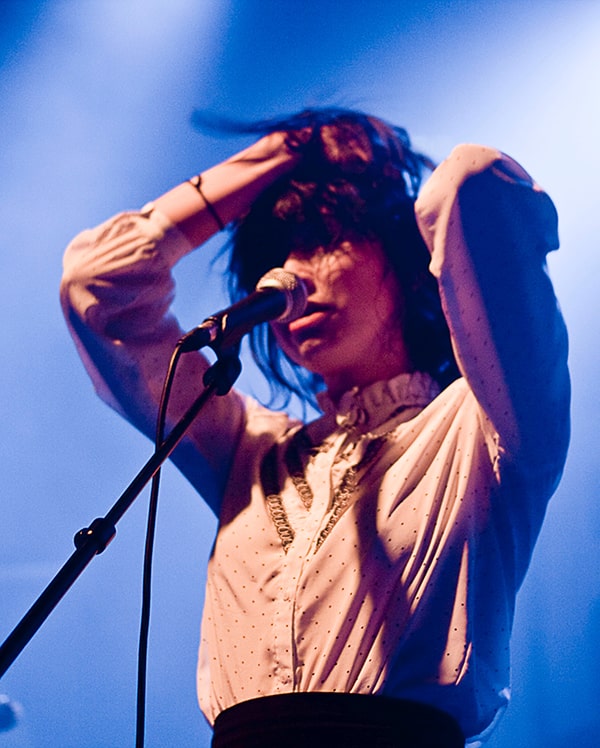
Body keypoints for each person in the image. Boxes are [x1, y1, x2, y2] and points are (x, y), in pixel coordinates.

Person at [60, 108, 570, 747]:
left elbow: (474, 183)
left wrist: (358, 155)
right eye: (276, 257)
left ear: (407, 264)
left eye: (325, 241)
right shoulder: (250, 450)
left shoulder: (484, 429)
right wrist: (282, 151)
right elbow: (98, 285)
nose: (291, 275)